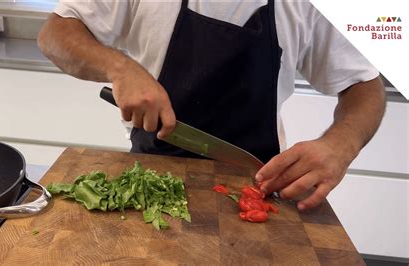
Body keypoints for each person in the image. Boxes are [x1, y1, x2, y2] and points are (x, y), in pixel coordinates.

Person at [37, 0, 386, 211]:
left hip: (255, 179)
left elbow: (364, 84)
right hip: (151, 172)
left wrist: (341, 144)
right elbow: (56, 34)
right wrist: (120, 68)